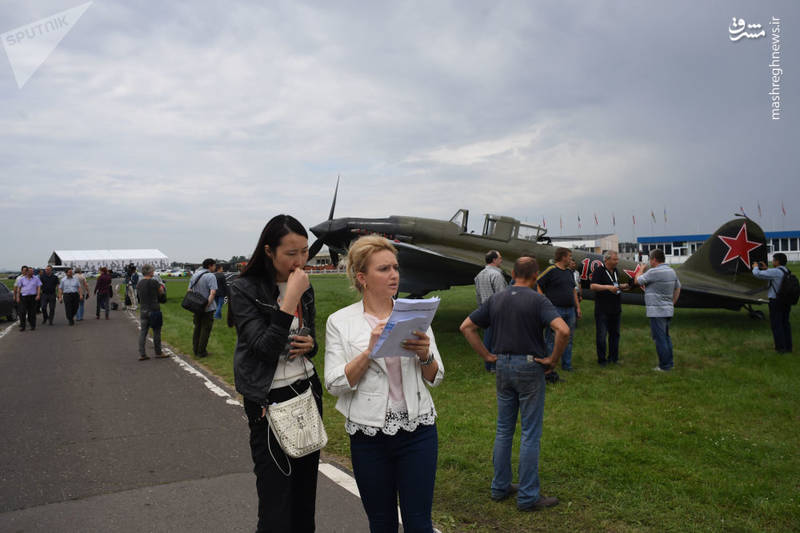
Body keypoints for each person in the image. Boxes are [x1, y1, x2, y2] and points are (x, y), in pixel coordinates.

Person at [325, 235, 444, 533]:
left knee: (419, 524)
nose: (393, 274)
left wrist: (424, 355)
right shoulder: (340, 322)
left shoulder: (415, 313)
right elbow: (334, 383)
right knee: (382, 523)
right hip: (369, 437)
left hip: (418, 431)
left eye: (395, 267)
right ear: (362, 277)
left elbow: (436, 376)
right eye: (383, 269)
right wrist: (370, 350)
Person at [228, 215, 321, 533]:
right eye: (291, 253)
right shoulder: (243, 288)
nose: (300, 261)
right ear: (269, 251)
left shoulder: (305, 286)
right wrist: (290, 297)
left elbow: (309, 337)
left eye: (305, 252)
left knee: (304, 498)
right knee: (275, 507)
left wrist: (310, 344)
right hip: (269, 404)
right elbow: (263, 348)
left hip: (306, 395)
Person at [459, 256, 568, 512]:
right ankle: (528, 496)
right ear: (534, 276)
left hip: (503, 366)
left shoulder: (497, 299)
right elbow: (562, 330)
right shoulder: (538, 299)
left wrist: (487, 355)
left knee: (504, 429)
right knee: (530, 433)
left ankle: (500, 487)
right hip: (530, 367)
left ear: (512, 274)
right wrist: (553, 359)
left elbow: (467, 326)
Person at [635, 249, 681, 371]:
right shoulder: (671, 271)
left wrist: (640, 270)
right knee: (666, 337)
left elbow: (637, 281)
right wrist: (672, 303)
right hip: (668, 310)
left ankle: (664, 366)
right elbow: (678, 288)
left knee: (660, 339)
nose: (649, 262)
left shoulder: (654, 272)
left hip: (657, 311)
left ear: (654, 259)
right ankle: (670, 363)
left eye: (650, 259)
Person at [537, 248, 581, 371]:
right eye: (570, 256)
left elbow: (573, 290)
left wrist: (577, 307)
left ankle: (567, 365)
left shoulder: (569, 272)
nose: (571, 259)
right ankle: (550, 365)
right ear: (563, 257)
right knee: (551, 339)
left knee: (569, 338)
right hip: (555, 310)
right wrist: (543, 302)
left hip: (570, 310)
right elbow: (538, 284)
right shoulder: (551, 270)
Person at [589, 251, 630, 365]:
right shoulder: (599, 271)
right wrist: (608, 287)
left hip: (615, 308)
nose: (617, 261)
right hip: (603, 309)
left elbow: (614, 285)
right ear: (606, 260)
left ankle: (613, 358)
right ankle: (602, 360)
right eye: (615, 259)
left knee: (615, 335)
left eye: (617, 259)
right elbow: (593, 286)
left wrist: (622, 286)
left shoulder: (615, 271)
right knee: (602, 336)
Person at [752, 253, 793, 353]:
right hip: (786, 301)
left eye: (774, 260)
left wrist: (755, 267)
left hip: (776, 301)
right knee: (785, 324)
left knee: (776, 325)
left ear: (778, 261)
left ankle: (780, 348)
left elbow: (757, 274)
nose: (772, 261)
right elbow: (774, 275)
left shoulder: (775, 272)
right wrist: (766, 269)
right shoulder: (786, 270)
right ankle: (788, 347)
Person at [474, 250, 507, 372]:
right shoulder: (496, 275)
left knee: (488, 338)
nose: (501, 260)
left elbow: (478, 295)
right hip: (497, 311)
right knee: (497, 339)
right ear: (494, 260)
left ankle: (488, 364)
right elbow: (502, 296)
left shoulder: (479, 275)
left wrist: (481, 311)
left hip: (485, 310)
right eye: (500, 258)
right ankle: (494, 366)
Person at [188, 259, 218, 358]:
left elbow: (189, 290)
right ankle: (201, 352)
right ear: (210, 266)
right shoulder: (211, 276)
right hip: (207, 307)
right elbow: (213, 292)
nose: (215, 268)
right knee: (205, 329)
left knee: (197, 328)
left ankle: (195, 349)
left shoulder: (195, 275)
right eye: (214, 266)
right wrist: (207, 305)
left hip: (195, 306)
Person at [136, 264, 166, 360]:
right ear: (150, 272)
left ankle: (142, 353)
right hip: (154, 309)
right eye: (152, 270)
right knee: (156, 332)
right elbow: (161, 292)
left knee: (143, 332)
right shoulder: (154, 282)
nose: (153, 272)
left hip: (143, 309)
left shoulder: (139, 283)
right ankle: (158, 352)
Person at [15, 266, 42, 331]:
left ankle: (33, 326)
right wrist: (18, 297)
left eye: (32, 271)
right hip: (23, 297)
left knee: (32, 312)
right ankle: (23, 326)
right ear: (27, 272)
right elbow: (19, 288)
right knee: (22, 312)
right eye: (30, 271)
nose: (32, 272)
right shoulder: (21, 279)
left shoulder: (36, 278)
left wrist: (38, 295)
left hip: (33, 297)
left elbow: (38, 287)